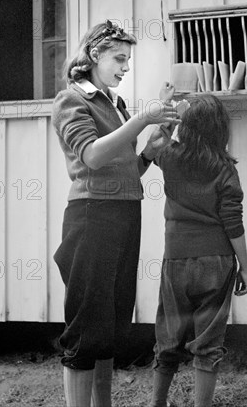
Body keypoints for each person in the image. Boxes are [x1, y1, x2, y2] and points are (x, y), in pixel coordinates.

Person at [52, 20, 179, 407]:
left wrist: (151, 149)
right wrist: (143, 120)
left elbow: (126, 169)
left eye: (128, 60)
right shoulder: (72, 99)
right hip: (91, 216)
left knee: (110, 324)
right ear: (94, 55)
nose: (125, 67)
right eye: (119, 59)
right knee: (87, 324)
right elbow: (91, 156)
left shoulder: (115, 104)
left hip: (124, 213)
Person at [150, 94, 247, 407]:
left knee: (168, 338)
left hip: (176, 259)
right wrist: (245, 266)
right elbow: (233, 224)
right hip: (216, 262)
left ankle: (157, 404)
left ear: (187, 126)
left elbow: (152, 148)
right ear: (222, 130)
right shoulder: (225, 169)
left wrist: (171, 118)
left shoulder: (170, 155)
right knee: (208, 343)